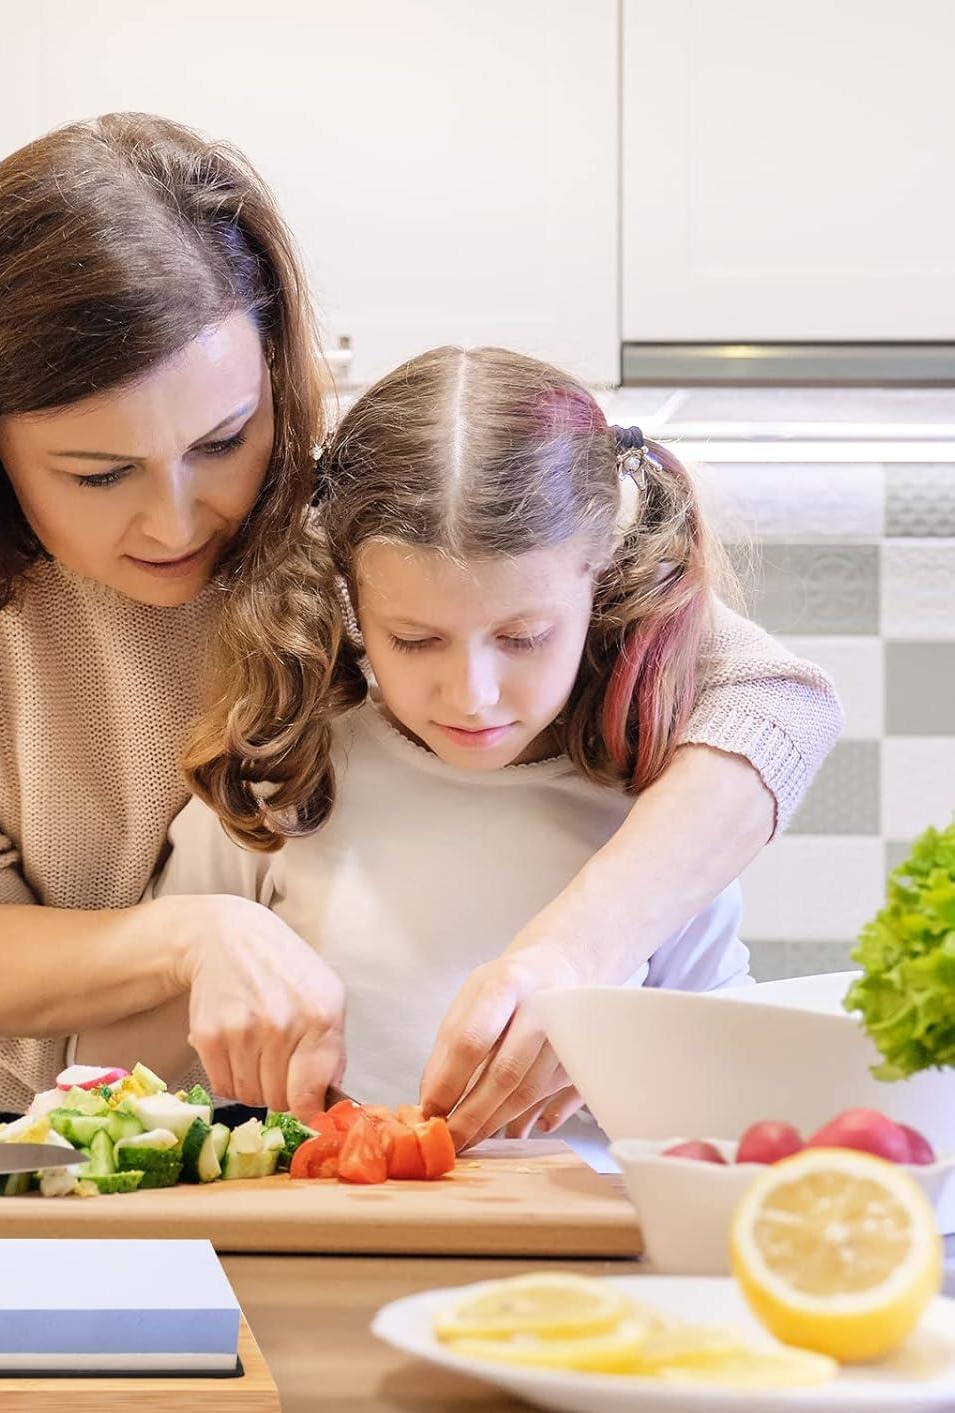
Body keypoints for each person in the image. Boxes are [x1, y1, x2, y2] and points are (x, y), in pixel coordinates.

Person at [0, 113, 841, 1134]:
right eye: (100, 473)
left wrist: (583, 948)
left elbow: (772, 706)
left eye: (223, 440)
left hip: (209, 1111)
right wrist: (192, 940)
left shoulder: (355, 495)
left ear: (274, 365)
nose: (178, 522)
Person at [152, 345, 753, 1146]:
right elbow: (148, 1058)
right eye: (416, 640)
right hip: (320, 1214)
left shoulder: (665, 810)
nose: (471, 694)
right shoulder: (280, 777)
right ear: (348, 593)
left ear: (600, 579)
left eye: (523, 638)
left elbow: (725, 1079)